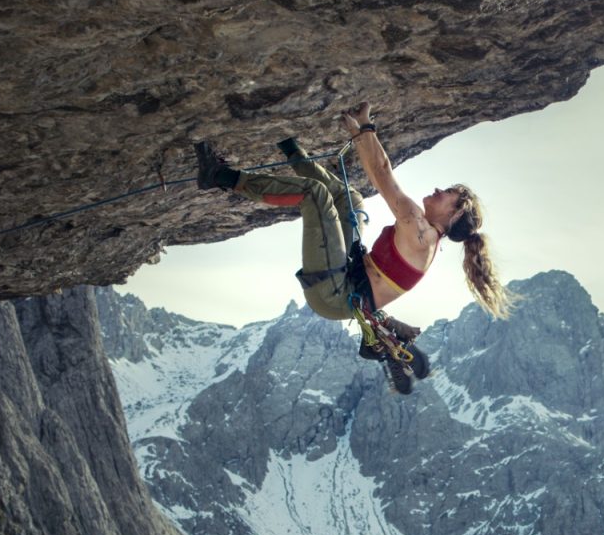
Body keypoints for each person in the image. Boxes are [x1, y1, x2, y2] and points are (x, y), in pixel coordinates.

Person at [191, 101, 513, 393]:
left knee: (315, 195)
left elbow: (383, 174)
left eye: (449, 194)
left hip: (333, 293)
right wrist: (362, 132)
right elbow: (379, 176)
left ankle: (220, 175)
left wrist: (364, 128)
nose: (440, 189)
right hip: (347, 278)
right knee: (352, 199)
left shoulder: (420, 230)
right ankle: (289, 146)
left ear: (454, 214)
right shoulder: (426, 238)